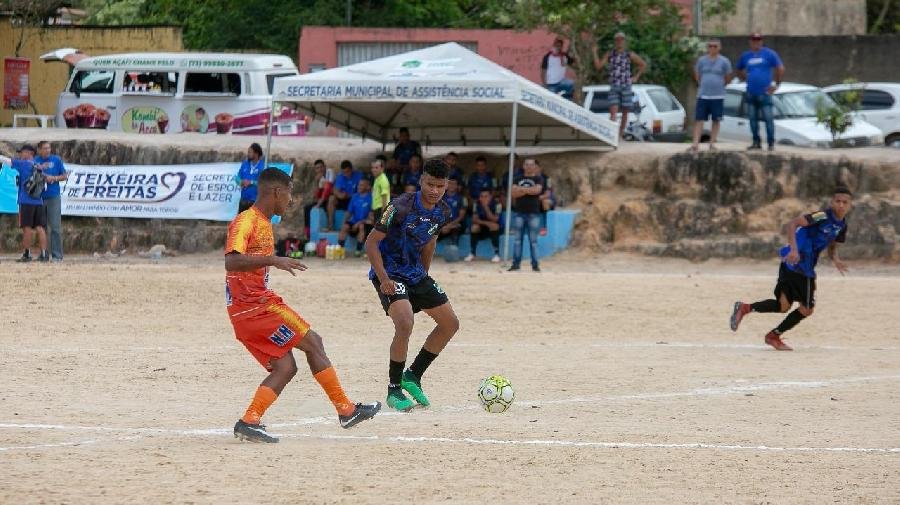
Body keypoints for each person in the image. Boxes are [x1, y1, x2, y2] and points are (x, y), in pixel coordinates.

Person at [226, 168, 380, 443]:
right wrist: (274, 260)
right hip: (256, 307)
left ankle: (249, 421)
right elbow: (231, 261)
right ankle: (346, 410)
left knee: (286, 368)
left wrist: (272, 260)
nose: (291, 199)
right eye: (289, 193)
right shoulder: (246, 221)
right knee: (314, 342)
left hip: (246, 312)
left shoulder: (262, 221)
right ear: (276, 192)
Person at [365, 158, 459, 412]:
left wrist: (425, 275)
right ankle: (394, 389)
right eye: (430, 184)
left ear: (447, 185)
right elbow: (371, 243)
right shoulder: (400, 206)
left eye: (440, 186)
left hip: (415, 273)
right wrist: (383, 278)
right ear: (421, 181)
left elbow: (429, 242)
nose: (435, 191)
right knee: (405, 322)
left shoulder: (444, 211)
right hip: (390, 272)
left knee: (450, 324)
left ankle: (413, 375)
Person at [730, 187, 852, 351]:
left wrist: (835, 259)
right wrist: (794, 249)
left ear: (850, 205)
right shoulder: (822, 216)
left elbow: (832, 245)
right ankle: (773, 336)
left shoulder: (842, 226)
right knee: (807, 309)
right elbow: (793, 224)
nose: (841, 205)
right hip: (800, 264)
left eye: (845, 202)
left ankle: (745, 308)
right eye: (838, 201)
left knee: (783, 306)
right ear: (832, 202)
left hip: (793, 263)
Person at [736, 32, 785, 151]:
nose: (756, 42)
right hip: (751, 92)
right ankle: (756, 142)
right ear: (750, 42)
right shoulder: (746, 56)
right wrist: (745, 77)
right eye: (754, 40)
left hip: (765, 92)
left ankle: (770, 143)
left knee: (768, 118)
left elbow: (780, 68)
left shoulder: (769, 54)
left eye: (758, 40)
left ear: (761, 41)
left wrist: (776, 84)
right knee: (752, 120)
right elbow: (738, 68)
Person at [593, 32, 647, 140]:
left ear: (624, 41)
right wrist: (594, 52)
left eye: (621, 39)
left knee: (625, 112)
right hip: (614, 85)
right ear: (615, 41)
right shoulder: (610, 54)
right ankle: (612, 135)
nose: (619, 42)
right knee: (613, 111)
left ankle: (620, 134)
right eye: (617, 40)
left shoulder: (629, 54)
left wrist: (636, 77)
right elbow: (598, 66)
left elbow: (643, 64)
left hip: (626, 85)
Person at [690, 39, 732, 153]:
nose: (712, 48)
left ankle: (712, 143)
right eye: (710, 46)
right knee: (699, 119)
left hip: (717, 96)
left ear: (719, 48)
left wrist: (720, 84)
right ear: (708, 47)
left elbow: (728, 77)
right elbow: (696, 73)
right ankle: (695, 144)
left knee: (716, 120)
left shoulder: (724, 61)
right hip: (703, 95)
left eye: (715, 46)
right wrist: (701, 83)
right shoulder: (702, 60)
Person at [10, 145, 48, 262]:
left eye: (22, 152)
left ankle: (27, 254)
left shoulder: (23, 164)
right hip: (39, 201)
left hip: (26, 201)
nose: (20, 155)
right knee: (40, 227)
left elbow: (6, 161)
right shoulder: (38, 166)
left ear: (28, 153)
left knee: (27, 228)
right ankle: (43, 254)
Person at [508, 158, 544, 272]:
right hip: (519, 213)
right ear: (523, 166)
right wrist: (529, 190)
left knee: (533, 241)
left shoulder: (539, 178)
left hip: (533, 213)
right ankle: (515, 264)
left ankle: (535, 265)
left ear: (534, 166)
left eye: (531, 164)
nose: (529, 166)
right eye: (527, 164)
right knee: (517, 240)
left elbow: (537, 191)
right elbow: (513, 194)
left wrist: (521, 189)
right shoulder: (517, 178)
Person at [34, 141, 67, 262]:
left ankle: (57, 255)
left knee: (55, 226)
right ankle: (44, 254)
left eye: (49, 148)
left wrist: (54, 178)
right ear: (39, 150)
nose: (47, 150)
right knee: (42, 227)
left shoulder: (56, 160)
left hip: (53, 196)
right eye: (45, 148)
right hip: (39, 197)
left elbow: (64, 176)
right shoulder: (35, 161)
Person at [338, 177, 372, 257]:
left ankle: (358, 251)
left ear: (367, 187)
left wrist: (360, 222)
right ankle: (340, 249)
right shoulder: (355, 197)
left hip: (365, 224)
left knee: (361, 226)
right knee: (345, 226)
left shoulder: (370, 198)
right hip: (354, 222)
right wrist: (344, 223)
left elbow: (371, 217)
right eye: (359, 185)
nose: (359, 187)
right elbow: (349, 212)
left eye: (362, 185)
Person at [465, 189, 502, 263]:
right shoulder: (476, 204)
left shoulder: (497, 204)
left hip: (495, 229)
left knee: (494, 226)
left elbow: (495, 219)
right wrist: (487, 223)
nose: (483, 198)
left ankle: (496, 254)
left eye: (486, 196)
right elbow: (474, 219)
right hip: (482, 228)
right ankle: (472, 253)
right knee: (474, 227)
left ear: (490, 197)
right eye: (481, 196)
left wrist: (486, 207)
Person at [302, 159, 334, 240]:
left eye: (320, 167)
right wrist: (316, 181)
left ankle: (330, 226)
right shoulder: (320, 178)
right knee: (307, 208)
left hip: (332, 198)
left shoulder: (330, 172)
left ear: (324, 166)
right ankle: (308, 232)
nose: (319, 170)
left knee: (327, 200)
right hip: (323, 199)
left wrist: (318, 204)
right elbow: (316, 195)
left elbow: (327, 189)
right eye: (317, 168)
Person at [326, 160, 362, 231]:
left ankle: (347, 227)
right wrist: (340, 195)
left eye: (347, 171)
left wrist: (350, 195)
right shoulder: (340, 176)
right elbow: (335, 190)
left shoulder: (359, 175)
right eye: (344, 172)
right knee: (331, 198)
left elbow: (362, 191)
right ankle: (330, 226)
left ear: (352, 169)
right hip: (344, 199)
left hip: (354, 199)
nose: (346, 174)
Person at [437, 178, 467, 248]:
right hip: (443, 224)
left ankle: (454, 248)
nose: (452, 186)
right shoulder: (440, 198)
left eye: (454, 184)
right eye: (450, 183)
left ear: (457, 186)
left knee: (456, 228)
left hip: (456, 223)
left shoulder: (462, 198)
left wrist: (449, 225)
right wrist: (444, 225)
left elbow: (461, 216)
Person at [238, 143, 265, 213]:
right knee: (241, 223)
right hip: (243, 200)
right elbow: (237, 177)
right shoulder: (245, 164)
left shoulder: (263, 166)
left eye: (250, 152)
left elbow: (265, 183)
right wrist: (240, 182)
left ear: (256, 154)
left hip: (256, 201)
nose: (248, 154)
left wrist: (251, 182)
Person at [370, 158, 391, 224]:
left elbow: (384, 197)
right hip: (376, 209)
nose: (373, 170)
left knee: (379, 231)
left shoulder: (383, 180)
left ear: (382, 168)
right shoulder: (377, 178)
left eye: (376, 168)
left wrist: (383, 214)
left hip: (381, 209)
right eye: (372, 167)